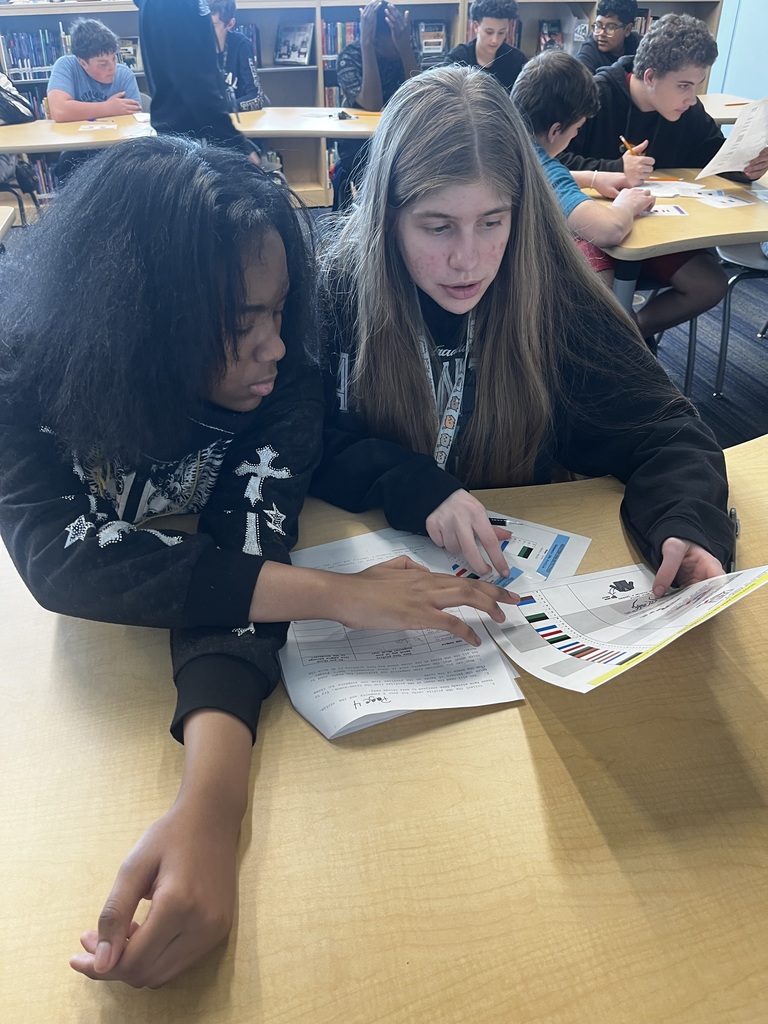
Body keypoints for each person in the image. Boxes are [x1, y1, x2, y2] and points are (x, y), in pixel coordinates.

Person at [0, 136, 513, 988]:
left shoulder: (283, 379)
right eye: (241, 326)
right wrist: (334, 596)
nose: (274, 345)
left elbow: (241, 542)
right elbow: (64, 562)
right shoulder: (27, 379)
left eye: (279, 312)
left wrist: (213, 800)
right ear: (136, 318)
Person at [312, 65, 735, 602]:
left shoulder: (551, 290)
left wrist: (686, 523)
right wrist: (406, 482)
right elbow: (292, 440)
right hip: (368, 565)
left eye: (493, 222)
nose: (467, 261)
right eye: (437, 226)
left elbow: (666, 430)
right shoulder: (340, 290)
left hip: (511, 582)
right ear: (387, 217)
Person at [560, 13, 768, 343]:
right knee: (600, 295)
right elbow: (554, 162)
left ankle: (631, 336)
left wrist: (744, 167)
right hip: (592, 228)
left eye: (697, 86)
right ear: (651, 76)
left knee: (710, 284)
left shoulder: (687, 110)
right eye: (684, 86)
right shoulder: (596, 96)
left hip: (655, 229)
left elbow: (713, 155)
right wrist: (614, 167)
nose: (691, 98)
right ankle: (605, 346)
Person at [512, 50, 654, 289]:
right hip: (522, 282)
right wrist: (627, 204)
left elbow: (532, 180)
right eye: (577, 128)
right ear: (556, 131)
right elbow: (609, 229)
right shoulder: (540, 165)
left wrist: (592, 178)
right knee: (595, 256)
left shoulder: (502, 134)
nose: (576, 134)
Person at [136, 0, 259, 162]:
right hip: (191, 142)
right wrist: (239, 146)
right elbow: (196, 85)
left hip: (184, 136)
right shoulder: (174, 5)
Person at [333, 0, 419, 210]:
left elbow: (419, 95)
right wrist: (366, 46)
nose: (399, 43)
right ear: (376, 41)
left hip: (401, 135)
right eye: (394, 39)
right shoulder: (349, 57)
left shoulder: (406, 49)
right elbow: (372, 105)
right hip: (361, 143)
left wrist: (405, 47)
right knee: (377, 181)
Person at [47, 18, 141, 122]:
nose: (112, 68)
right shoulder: (66, 66)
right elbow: (59, 111)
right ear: (83, 63)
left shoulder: (125, 74)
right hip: (78, 137)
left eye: (114, 58)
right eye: (103, 64)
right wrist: (109, 108)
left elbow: (136, 119)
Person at [443, 0, 525, 91]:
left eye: (501, 32)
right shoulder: (457, 59)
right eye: (489, 32)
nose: (495, 40)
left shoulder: (517, 60)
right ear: (475, 26)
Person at [210, 0, 268, 111]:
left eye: (212, 26)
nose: (204, 31)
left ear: (230, 24)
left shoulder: (241, 45)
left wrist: (223, 108)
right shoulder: (195, 46)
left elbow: (257, 98)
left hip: (236, 121)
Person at [576, 0, 641, 75]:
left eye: (611, 27)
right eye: (598, 25)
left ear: (627, 29)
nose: (601, 33)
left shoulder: (638, 45)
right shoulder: (589, 51)